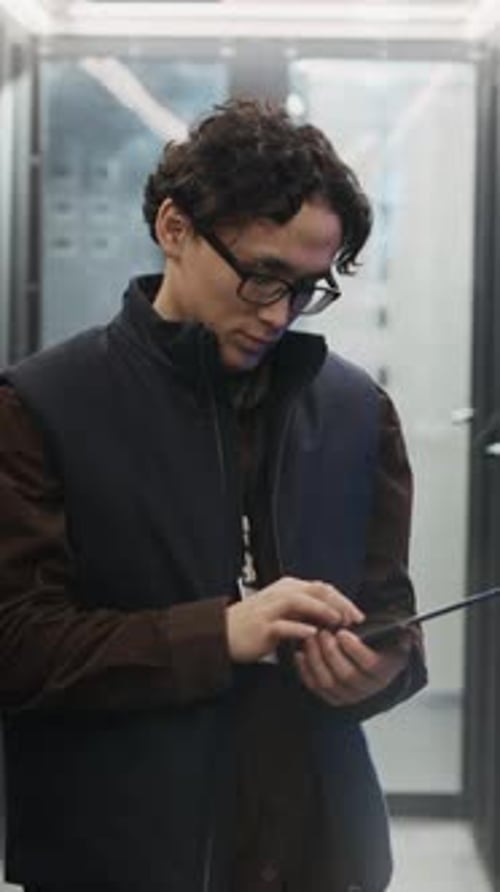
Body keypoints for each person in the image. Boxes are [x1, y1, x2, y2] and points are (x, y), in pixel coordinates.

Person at [0, 98, 426, 892]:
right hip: (114, 857)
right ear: (175, 228)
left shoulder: (357, 410)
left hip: (318, 853)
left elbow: (392, 617)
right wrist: (218, 635)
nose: (279, 314)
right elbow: (17, 647)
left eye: (307, 289)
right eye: (262, 277)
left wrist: (377, 669)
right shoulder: (41, 406)